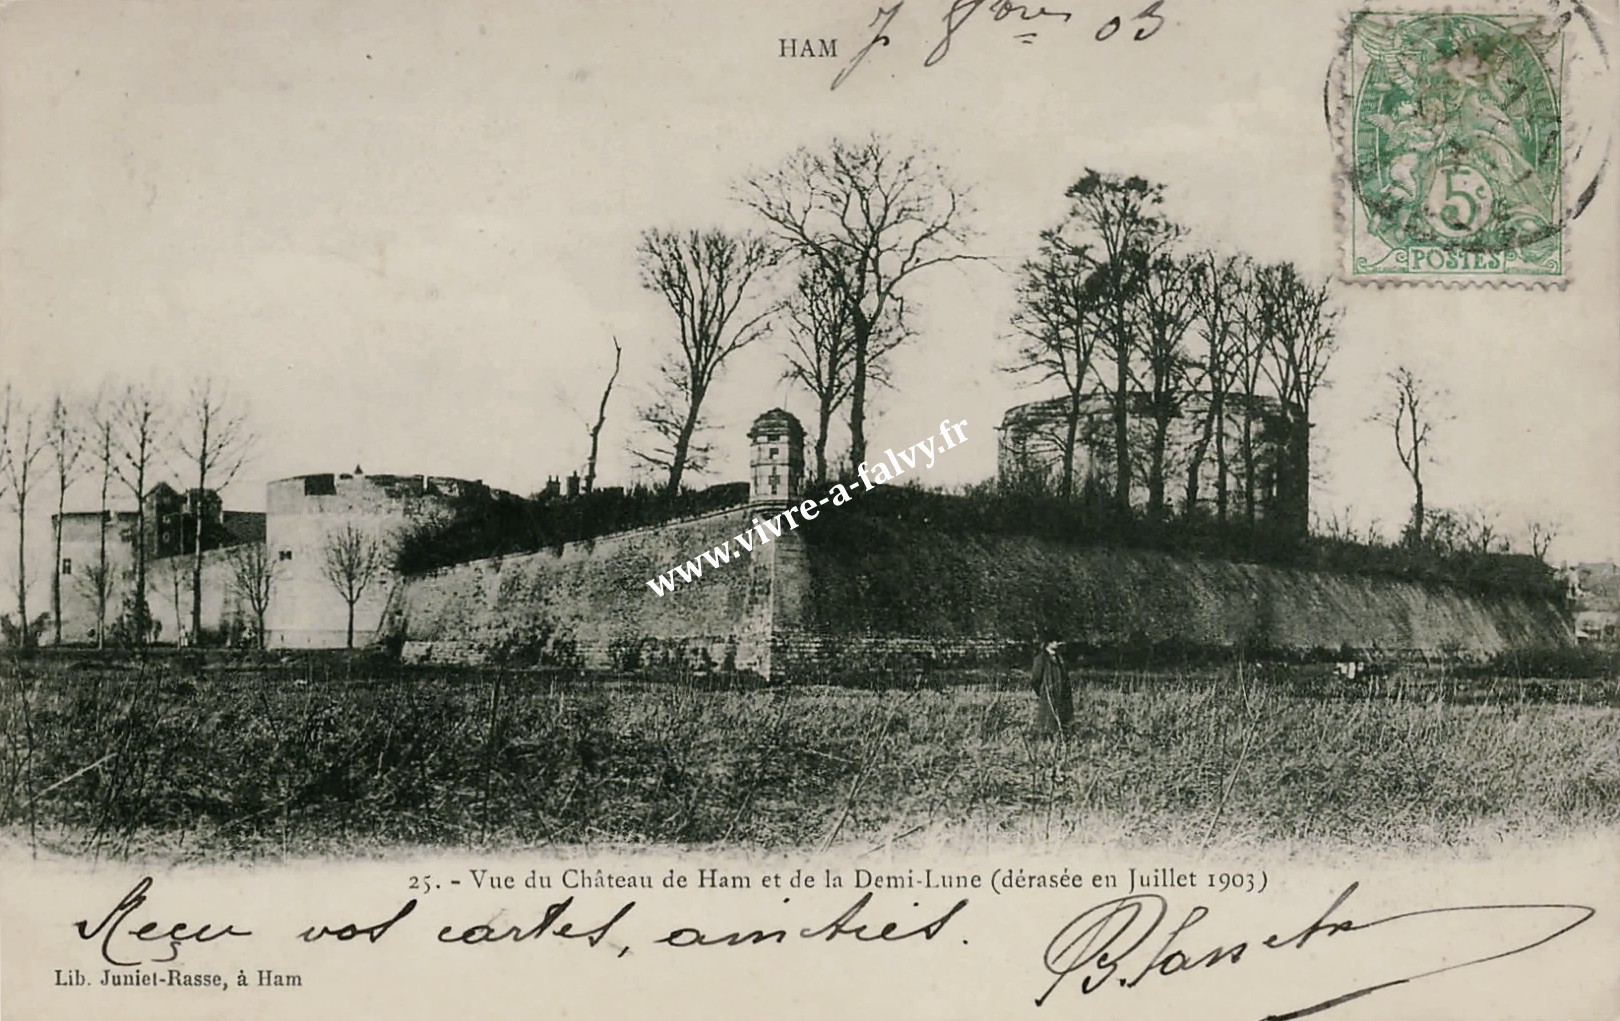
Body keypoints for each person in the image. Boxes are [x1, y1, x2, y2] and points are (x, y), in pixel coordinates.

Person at [1030, 631, 1073, 738]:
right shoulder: (1041, 659)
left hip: (1061, 695)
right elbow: (1035, 679)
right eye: (1056, 641)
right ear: (1049, 643)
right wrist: (1043, 692)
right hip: (1048, 696)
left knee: (1062, 723)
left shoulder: (1060, 659)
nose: (1058, 643)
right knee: (1047, 723)